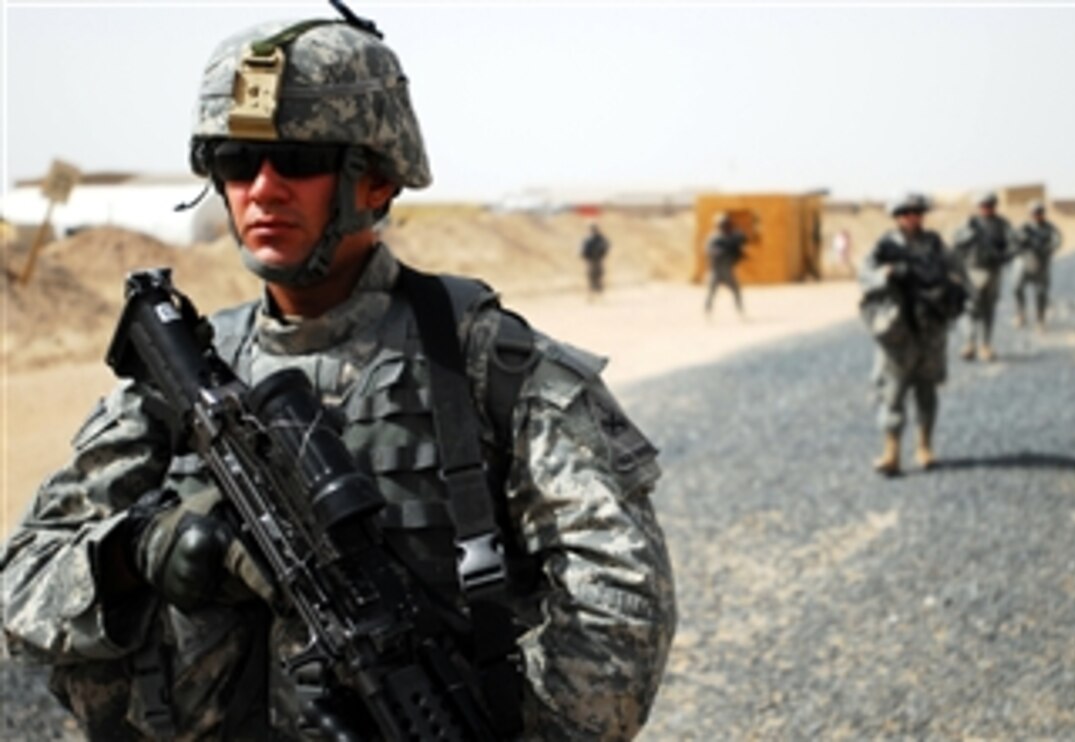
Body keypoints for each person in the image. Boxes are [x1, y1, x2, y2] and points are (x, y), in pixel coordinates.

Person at [0, 8, 676, 741]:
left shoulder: (491, 367)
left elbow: (618, 608)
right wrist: (139, 552)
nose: (262, 189)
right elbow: (21, 580)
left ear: (377, 179)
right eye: (234, 161)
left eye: (298, 162)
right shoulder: (183, 382)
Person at [859, 193, 967, 475]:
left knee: (927, 390)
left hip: (930, 327)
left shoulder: (935, 244)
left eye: (916, 212)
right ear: (896, 215)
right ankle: (891, 453)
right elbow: (865, 275)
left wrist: (949, 288)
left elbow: (958, 272)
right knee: (892, 393)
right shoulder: (884, 246)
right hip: (898, 330)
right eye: (906, 212)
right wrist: (888, 274)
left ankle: (925, 447)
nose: (912, 217)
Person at [950, 191, 1017, 361]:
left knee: (988, 309)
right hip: (972, 271)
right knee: (970, 309)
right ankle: (969, 343)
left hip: (993, 272)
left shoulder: (1002, 224)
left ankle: (985, 345)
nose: (986, 208)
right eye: (983, 205)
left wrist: (1004, 256)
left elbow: (1014, 244)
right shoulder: (969, 223)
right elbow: (956, 243)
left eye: (990, 205)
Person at [1012, 199, 1062, 330]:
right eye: (1034, 212)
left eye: (1039, 212)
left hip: (1041, 265)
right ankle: (1021, 314)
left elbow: (1057, 240)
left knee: (1041, 294)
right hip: (1025, 263)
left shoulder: (1049, 228)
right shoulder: (1025, 227)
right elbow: (1014, 240)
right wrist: (1022, 240)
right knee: (1016, 288)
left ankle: (1040, 319)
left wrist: (1047, 248)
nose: (1036, 215)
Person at [704, 212, 747, 319]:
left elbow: (742, 239)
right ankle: (707, 313)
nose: (726, 226)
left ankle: (740, 311)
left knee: (736, 291)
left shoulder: (733, 235)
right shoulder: (714, 237)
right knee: (711, 292)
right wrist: (721, 251)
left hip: (727, 270)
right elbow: (709, 250)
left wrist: (737, 248)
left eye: (727, 224)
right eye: (724, 224)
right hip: (716, 270)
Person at [580, 222, 610, 299]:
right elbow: (583, 250)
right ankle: (592, 295)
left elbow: (606, 247)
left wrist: (601, 254)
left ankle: (598, 295)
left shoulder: (600, 239)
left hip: (597, 260)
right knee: (591, 278)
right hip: (590, 260)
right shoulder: (588, 239)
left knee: (598, 277)